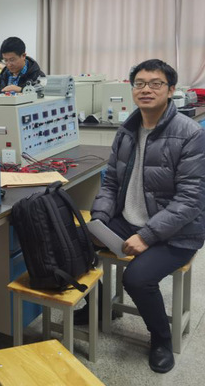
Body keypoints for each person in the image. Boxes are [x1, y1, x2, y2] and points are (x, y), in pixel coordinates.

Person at [89, 59, 205, 373]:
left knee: (137, 279)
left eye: (155, 83)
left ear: (171, 90)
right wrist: (100, 220)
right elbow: (110, 183)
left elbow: (190, 200)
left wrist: (147, 235)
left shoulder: (190, 134)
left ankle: (161, 339)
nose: (146, 89)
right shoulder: (126, 130)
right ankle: (98, 306)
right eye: (139, 83)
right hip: (129, 219)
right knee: (76, 241)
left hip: (178, 232)